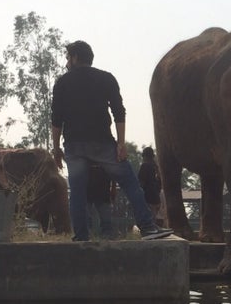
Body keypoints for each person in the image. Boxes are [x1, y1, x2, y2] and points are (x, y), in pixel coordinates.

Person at [50, 40, 172, 241]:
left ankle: (81, 236)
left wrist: (56, 149)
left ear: (75, 58)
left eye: (67, 58)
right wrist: (121, 143)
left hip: (75, 145)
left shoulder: (62, 83)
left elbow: (56, 120)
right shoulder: (106, 79)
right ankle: (148, 227)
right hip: (103, 143)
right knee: (130, 184)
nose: (66, 63)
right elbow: (119, 112)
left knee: (78, 191)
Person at [138, 147, 162, 224]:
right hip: (156, 198)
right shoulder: (156, 168)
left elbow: (141, 183)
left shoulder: (144, 166)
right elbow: (160, 182)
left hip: (147, 197)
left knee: (148, 220)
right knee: (153, 217)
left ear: (144, 156)